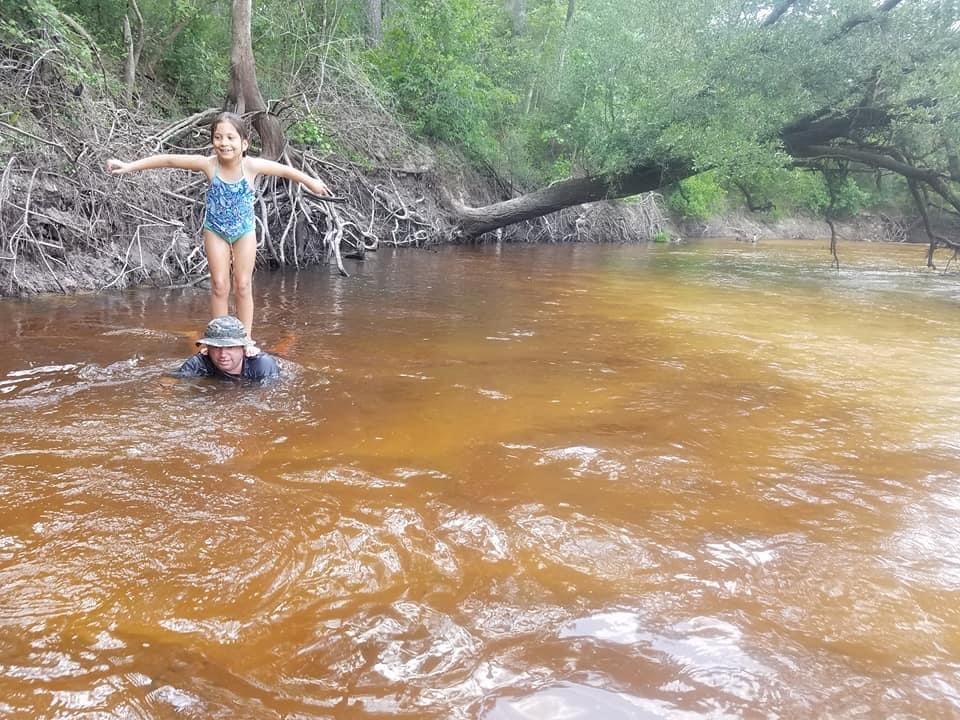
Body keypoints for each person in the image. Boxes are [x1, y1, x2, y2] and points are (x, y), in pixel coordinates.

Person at [106, 111, 332, 350]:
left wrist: (311, 182)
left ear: (244, 143)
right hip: (215, 231)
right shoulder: (208, 164)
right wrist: (129, 167)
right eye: (218, 137)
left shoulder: (251, 166)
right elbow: (169, 160)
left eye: (230, 138)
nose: (224, 143)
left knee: (243, 285)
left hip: (244, 231)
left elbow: (286, 171)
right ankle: (218, 340)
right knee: (219, 285)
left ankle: (246, 341)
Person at [175, 315, 280, 381]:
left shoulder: (262, 365)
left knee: (279, 351)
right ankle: (191, 335)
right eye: (216, 347)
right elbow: (169, 383)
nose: (222, 355)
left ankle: (289, 338)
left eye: (230, 347)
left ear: (243, 348)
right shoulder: (199, 363)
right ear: (207, 349)